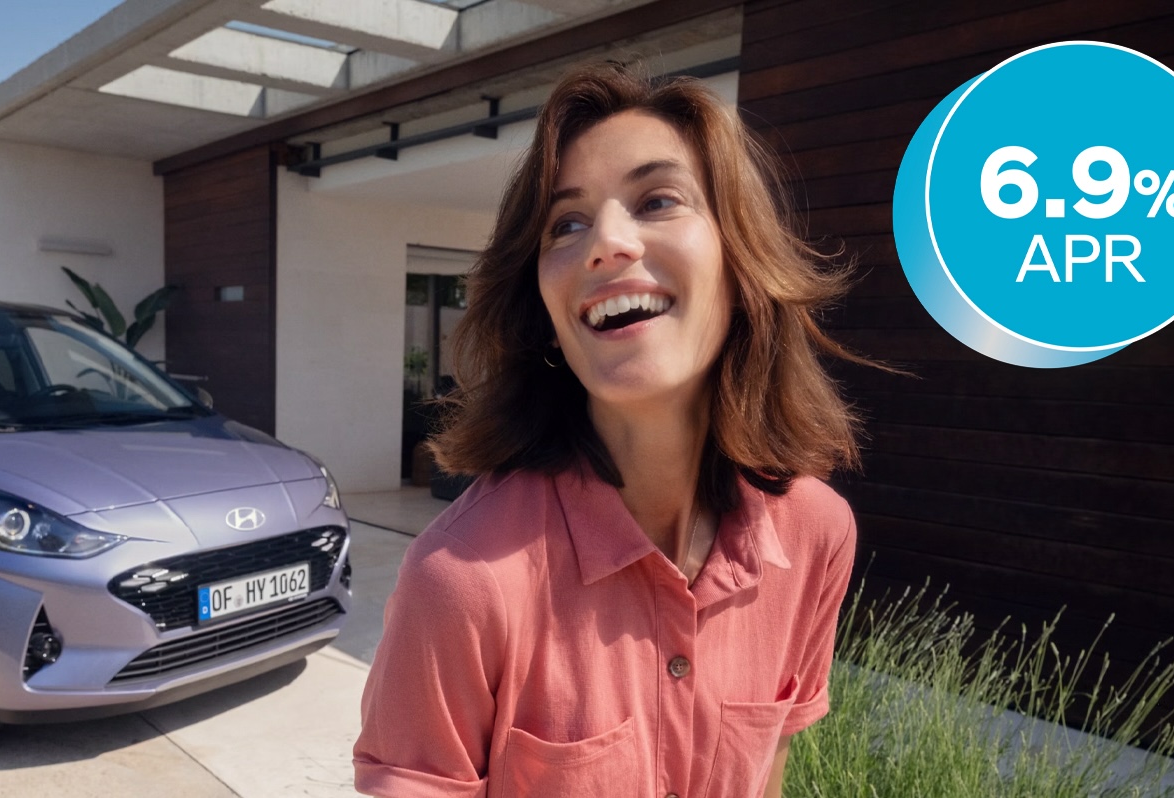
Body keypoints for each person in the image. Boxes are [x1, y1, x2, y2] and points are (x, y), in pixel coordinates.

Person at [353, 60, 883, 798]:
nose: (605, 241)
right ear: (545, 309)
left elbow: (768, 770)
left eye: (657, 199)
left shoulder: (816, 533)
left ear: (741, 261)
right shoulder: (460, 579)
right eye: (564, 223)